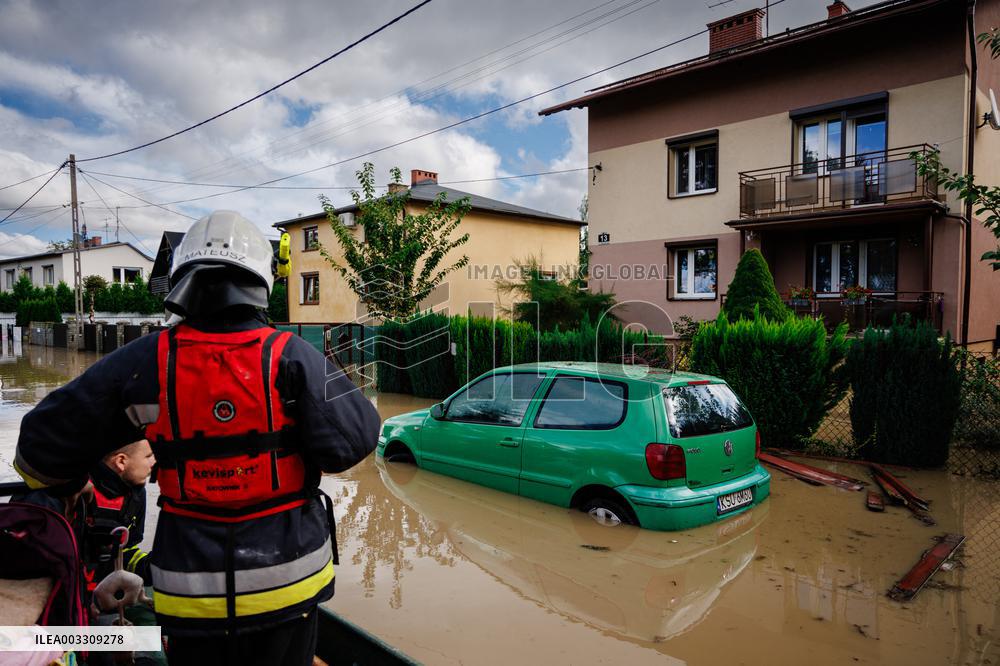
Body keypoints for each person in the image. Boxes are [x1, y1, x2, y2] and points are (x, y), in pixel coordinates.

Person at [14, 211, 381, 666]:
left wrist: (73, 487)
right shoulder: (293, 357)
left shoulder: (146, 361)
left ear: (181, 280)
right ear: (262, 281)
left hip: (192, 596)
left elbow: (39, 449)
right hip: (290, 590)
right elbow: (356, 440)